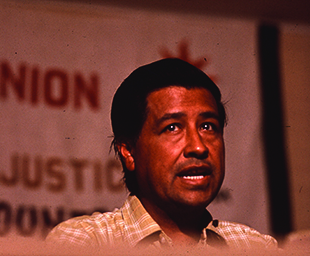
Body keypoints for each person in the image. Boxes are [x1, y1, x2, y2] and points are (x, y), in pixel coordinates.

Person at [46, 58, 277, 250]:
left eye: (207, 126)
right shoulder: (86, 241)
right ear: (128, 151)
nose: (198, 147)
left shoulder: (254, 246)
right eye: (172, 128)